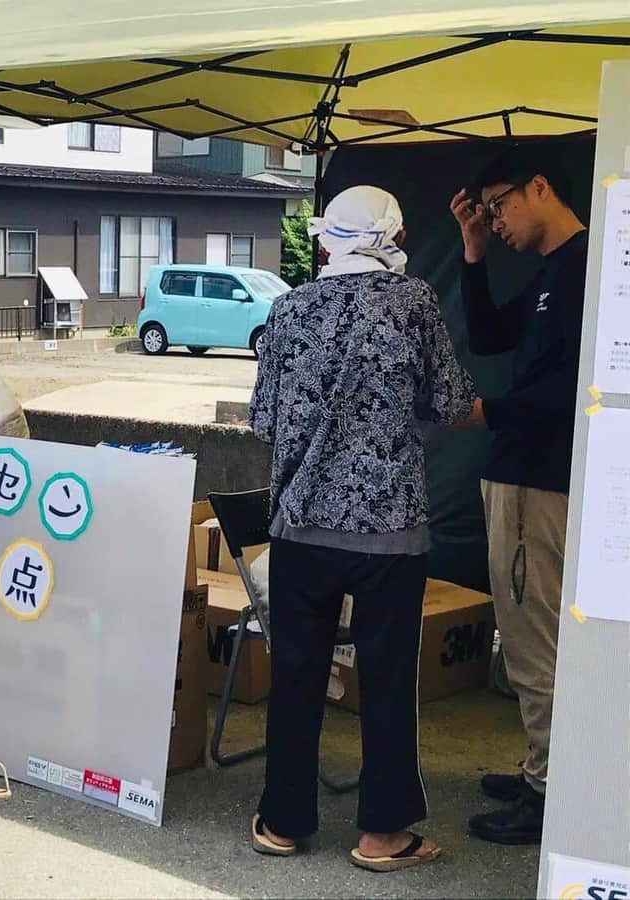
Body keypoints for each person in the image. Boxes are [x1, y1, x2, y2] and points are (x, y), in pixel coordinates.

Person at [247, 186, 476, 871]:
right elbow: (449, 403)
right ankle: (382, 834)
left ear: (328, 239)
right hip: (388, 532)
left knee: (295, 675)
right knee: (384, 681)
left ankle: (282, 822)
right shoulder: (413, 304)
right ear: (392, 235)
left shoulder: (287, 310)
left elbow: (263, 418)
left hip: (300, 528)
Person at [449, 148, 587, 845]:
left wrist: (488, 414)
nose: (494, 219)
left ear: (542, 185)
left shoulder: (589, 271)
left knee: (536, 636)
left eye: (498, 204)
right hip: (523, 473)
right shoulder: (548, 274)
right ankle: (542, 765)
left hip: (541, 479)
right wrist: (472, 256)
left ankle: (547, 790)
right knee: (527, 626)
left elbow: (572, 392)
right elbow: (488, 337)